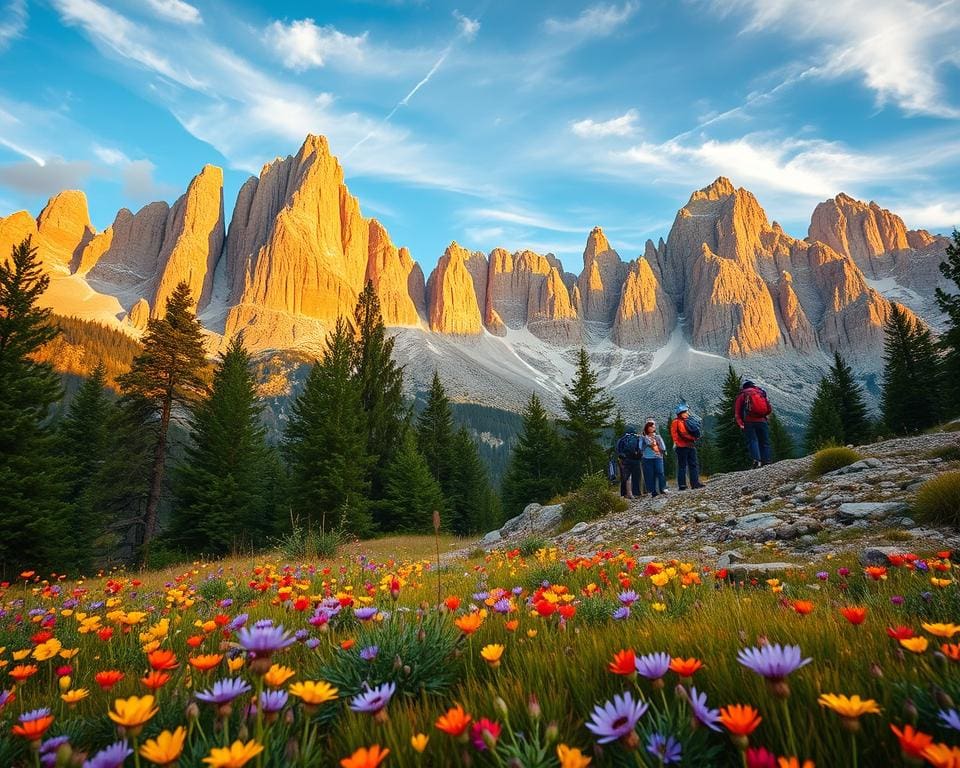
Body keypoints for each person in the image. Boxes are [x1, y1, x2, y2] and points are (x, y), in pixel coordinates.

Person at [735, 380, 773, 468]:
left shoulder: (742, 394)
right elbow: (769, 409)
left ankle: (757, 461)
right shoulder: (760, 393)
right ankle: (767, 461)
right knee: (764, 442)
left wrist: (741, 424)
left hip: (749, 421)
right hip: (762, 421)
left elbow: (737, 412)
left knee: (753, 441)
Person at [670, 403, 705, 490]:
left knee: (692, 464)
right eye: (685, 412)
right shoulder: (676, 422)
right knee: (683, 466)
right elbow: (682, 434)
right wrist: (694, 438)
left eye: (687, 412)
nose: (687, 413)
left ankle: (695, 483)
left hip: (689, 445)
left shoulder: (686, 421)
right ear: (680, 413)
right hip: (682, 446)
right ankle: (682, 485)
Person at [640, 418, 667, 498]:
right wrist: (646, 443)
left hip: (658, 457)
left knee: (660, 472)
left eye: (653, 426)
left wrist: (661, 448)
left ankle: (662, 488)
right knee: (650, 474)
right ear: (647, 427)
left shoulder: (658, 437)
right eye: (651, 426)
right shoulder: (643, 437)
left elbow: (663, 447)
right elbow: (640, 447)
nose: (653, 427)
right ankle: (653, 491)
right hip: (647, 458)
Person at [615, 425, 643, 500]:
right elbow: (641, 449)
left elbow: (618, 450)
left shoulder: (622, 439)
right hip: (636, 460)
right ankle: (636, 493)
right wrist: (639, 457)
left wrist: (621, 458)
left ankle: (625, 494)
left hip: (625, 460)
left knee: (625, 477)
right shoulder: (637, 438)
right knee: (636, 477)